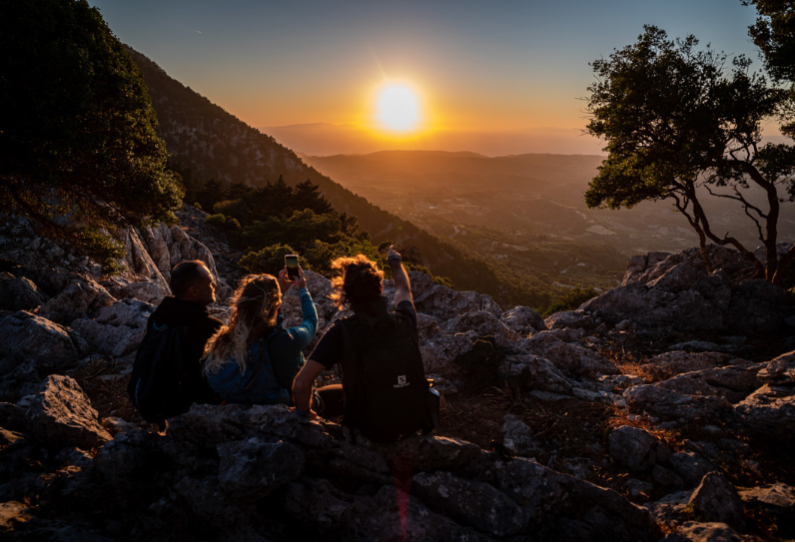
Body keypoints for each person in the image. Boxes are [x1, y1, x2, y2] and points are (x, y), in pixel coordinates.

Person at [292, 246, 429, 442]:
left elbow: (302, 383)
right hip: (411, 424)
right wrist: (394, 261)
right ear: (380, 288)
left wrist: (304, 414)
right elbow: (403, 289)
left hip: (368, 431)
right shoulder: (404, 319)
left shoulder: (342, 331)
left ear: (346, 294)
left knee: (327, 395)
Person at [203, 266, 317, 404]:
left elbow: (264, 315)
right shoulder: (285, 340)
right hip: (280, 406)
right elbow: (311, 321)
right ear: (277, 308)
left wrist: (279, 292)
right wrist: (302, 289)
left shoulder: (226, 337)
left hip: (234, 403)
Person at [130, 260, 223, 425]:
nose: (215, 285)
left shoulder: (159, 317)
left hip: (149, 399)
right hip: (182, 407)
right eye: (209, 283)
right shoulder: (210, 327)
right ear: (193, 291)